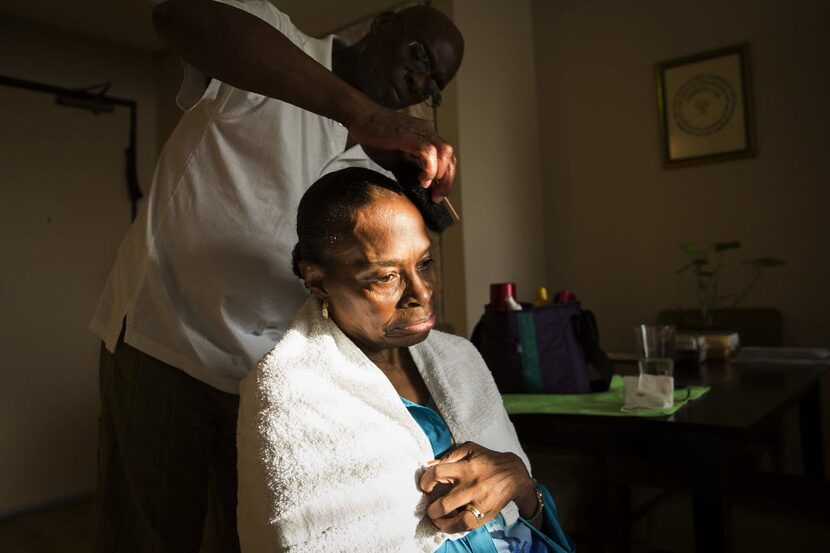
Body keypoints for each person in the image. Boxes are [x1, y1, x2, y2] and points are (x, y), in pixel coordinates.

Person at [91, 1, 463, 551]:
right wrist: (359, 111)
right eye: (418, 55)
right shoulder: (274, 48)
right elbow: (178, 16)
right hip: (167, 341)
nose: (417, 78)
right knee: (148, 539)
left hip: (267, 374)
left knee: (254, 540)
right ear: (385, 23)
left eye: (432, 83)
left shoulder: (372, 162)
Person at [237, 167, 574, 553]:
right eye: (384, 277)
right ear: (317, 281)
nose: (421, 292)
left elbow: (528, 519)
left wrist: (522, 485)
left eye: (425, 263)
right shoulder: (292, 393)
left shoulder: (460, 358)